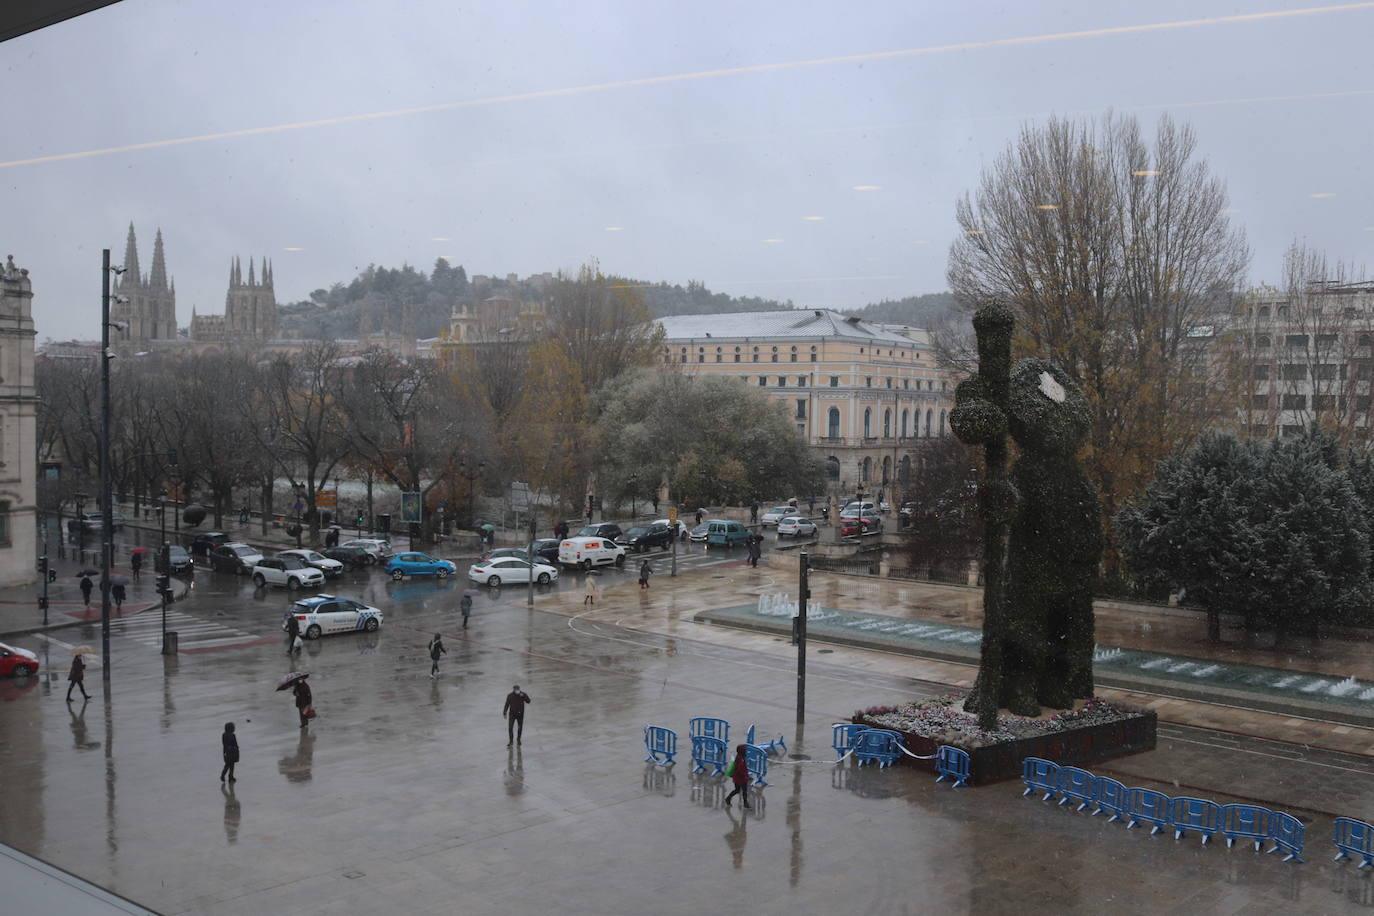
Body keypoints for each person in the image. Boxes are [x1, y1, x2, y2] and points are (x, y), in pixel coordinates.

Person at [724, 744, 752, 809]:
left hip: (736, 777)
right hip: (741, 778)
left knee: (737, 790)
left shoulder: (738, 756)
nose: (745, 751)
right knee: (744, 791)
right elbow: (741, 769)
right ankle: (745, 804)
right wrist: (745, 775)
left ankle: (728, 798)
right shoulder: (741, 759)